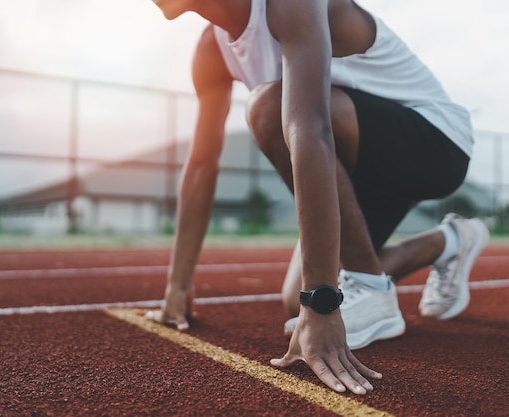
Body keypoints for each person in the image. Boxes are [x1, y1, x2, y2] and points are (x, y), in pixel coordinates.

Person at [146, 0, 489, 394]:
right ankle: (448, 242)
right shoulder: (211, 50)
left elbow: (309, 129)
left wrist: (323, 302)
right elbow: (202, 164)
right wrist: (177, 284)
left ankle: (373, 290)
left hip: (435, 144)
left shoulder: (289, 5)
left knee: (268, 108)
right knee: (296, 298)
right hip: (356, 163)